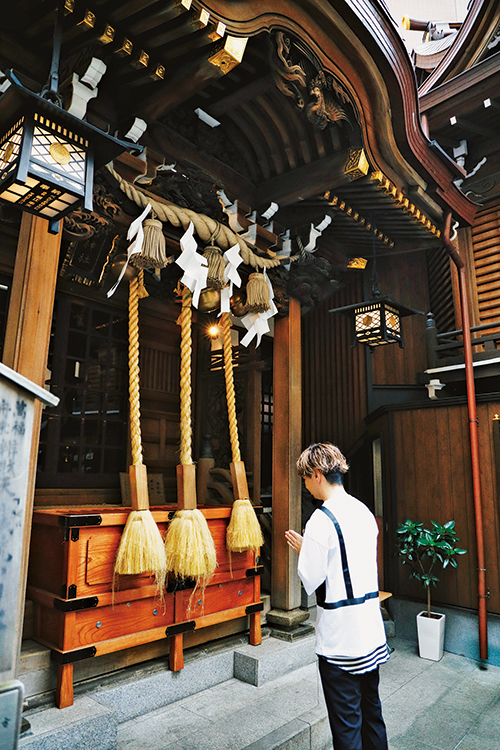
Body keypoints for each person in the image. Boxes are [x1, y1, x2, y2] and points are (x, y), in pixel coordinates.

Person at [285, 442, 389, 750]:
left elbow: (311, 577)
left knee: (346, 726)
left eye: (305, 479)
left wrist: (306, 551)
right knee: (373, 714)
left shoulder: (320, 521)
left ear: (317, 475)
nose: (306, 486)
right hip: (370, 632)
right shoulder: (363, 511)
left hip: (340, 641)